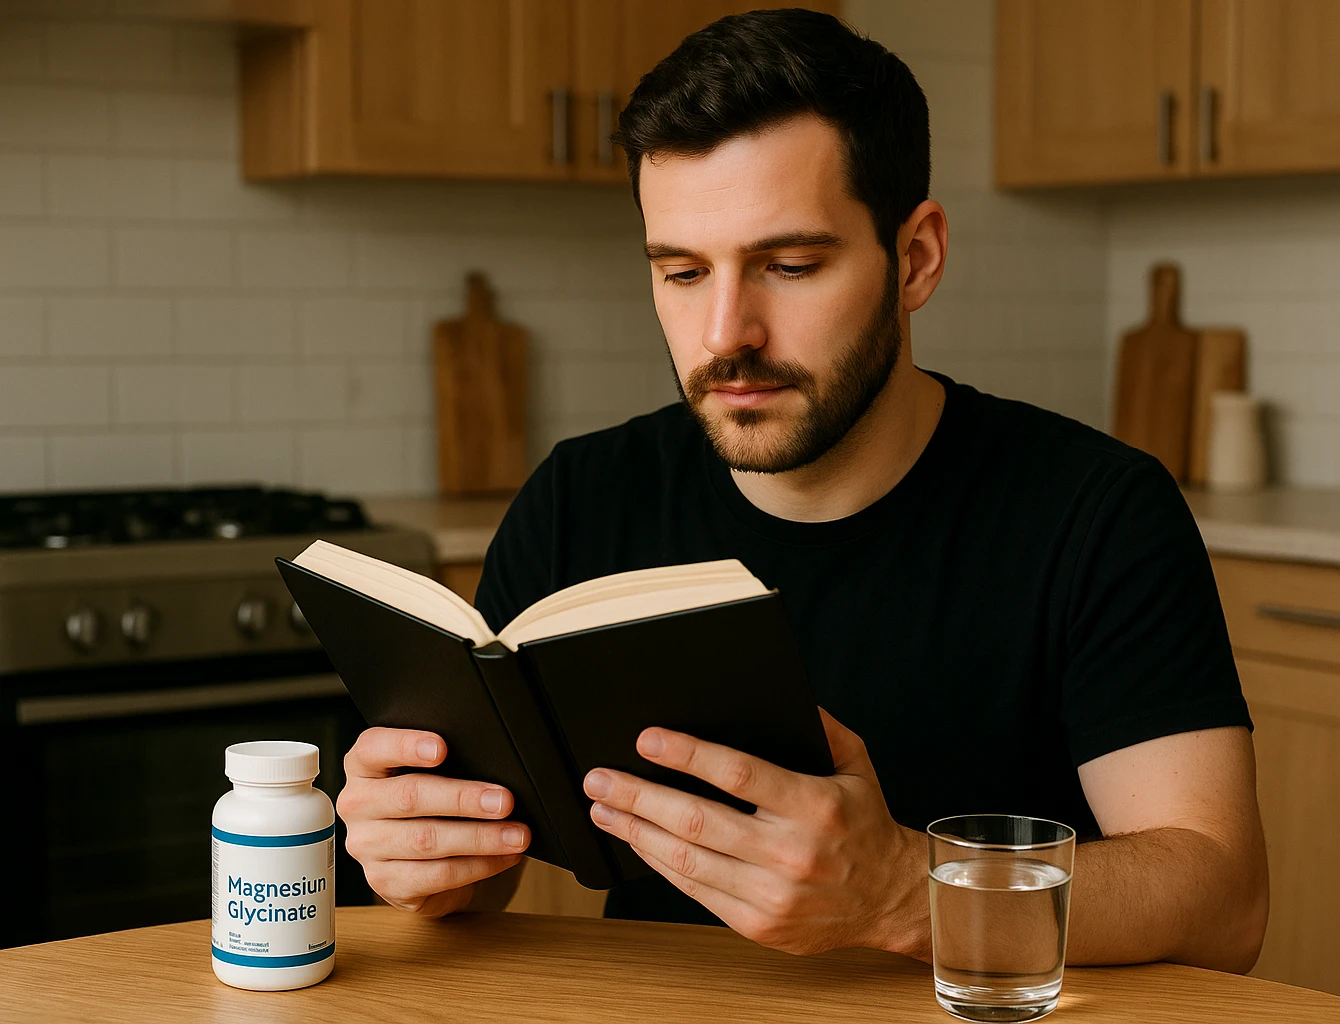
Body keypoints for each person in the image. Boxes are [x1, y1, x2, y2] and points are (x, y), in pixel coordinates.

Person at [336, 8, 1268, 972]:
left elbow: (1223, 901)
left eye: (789, 265)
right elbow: (486, 869)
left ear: (916, 259)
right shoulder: (580, 498)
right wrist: (431, 852)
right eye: (684, 272)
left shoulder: (1099, 514)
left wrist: (907, 890)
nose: (727, 332)